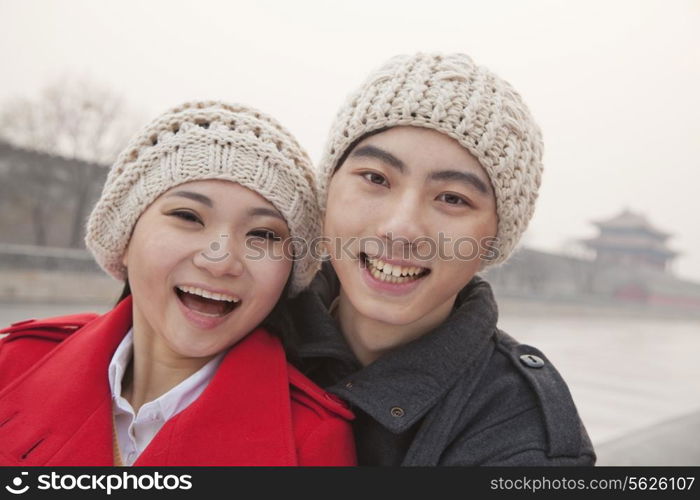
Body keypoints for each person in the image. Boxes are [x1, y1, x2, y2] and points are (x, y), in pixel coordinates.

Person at [0, 101, 355, 466]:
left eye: (263, 234)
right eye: (188, 216)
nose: (220, 262)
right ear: (125, 237)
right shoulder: (13, 364)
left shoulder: (313, 441)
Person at [286, 53, 596, 465]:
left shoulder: (522, 436)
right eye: (376, 178)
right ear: (328, 189)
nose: (401, 228)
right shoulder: (242, 327)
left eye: (452, 198)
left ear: (493, 240)